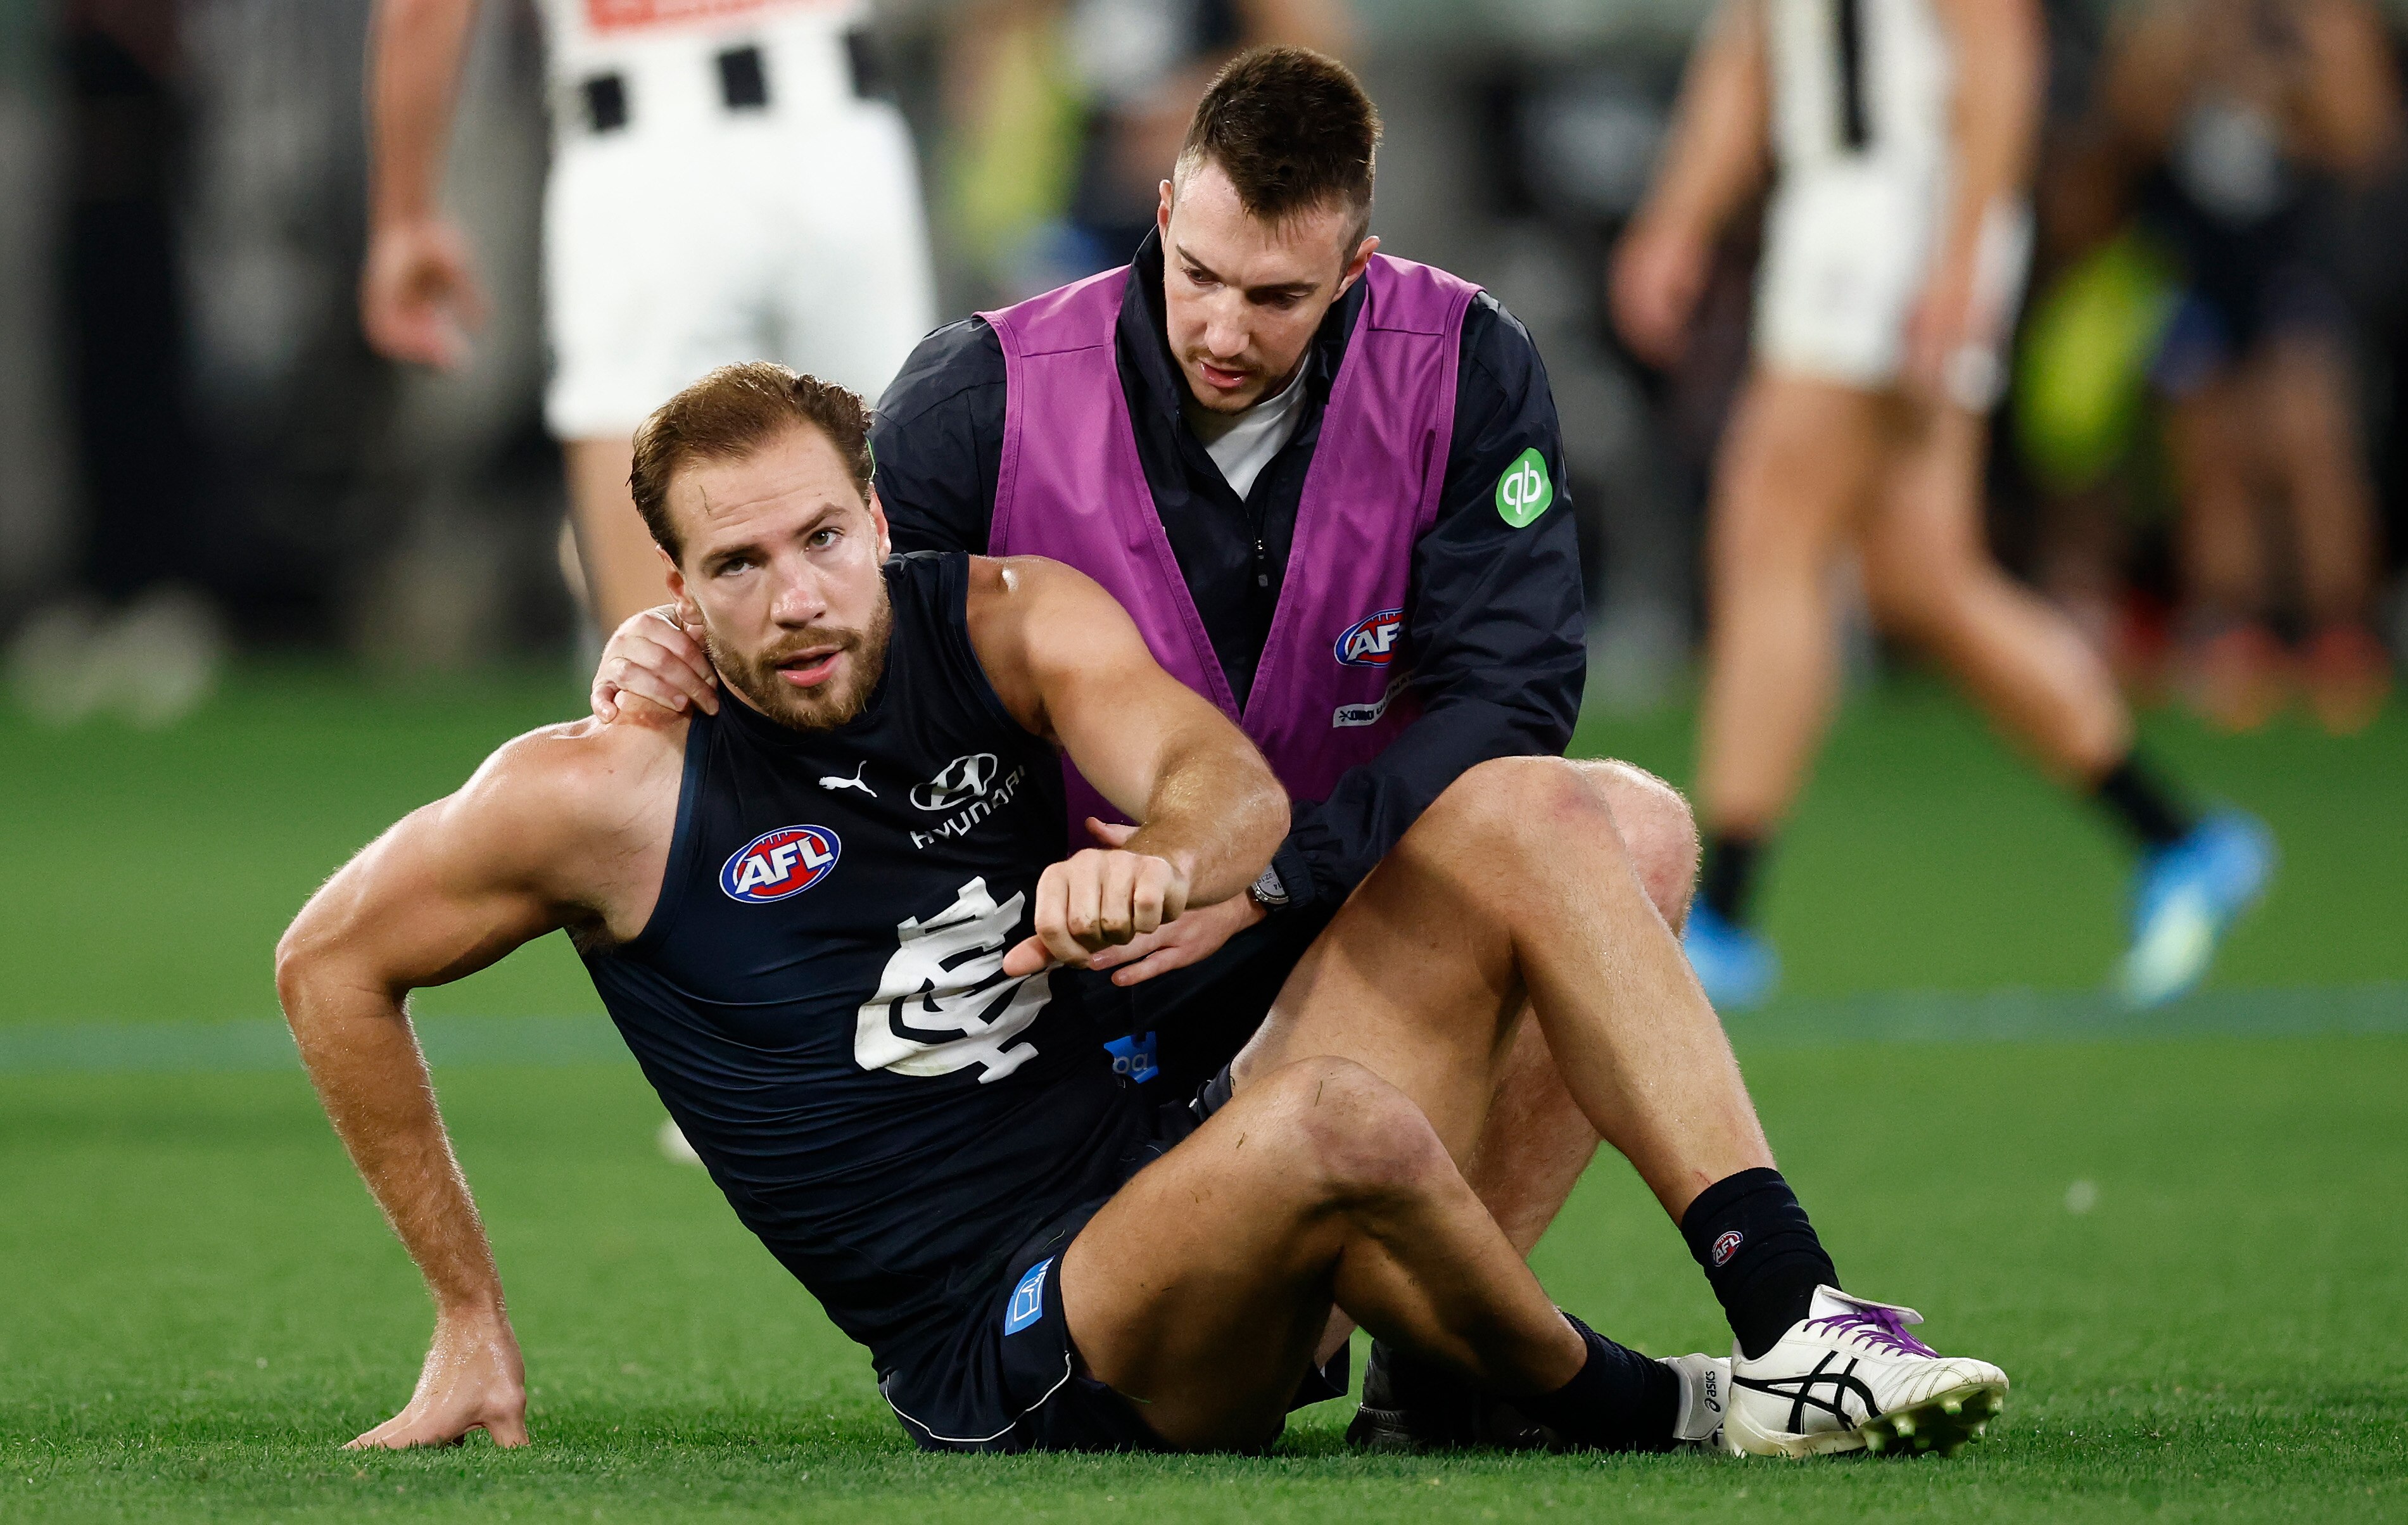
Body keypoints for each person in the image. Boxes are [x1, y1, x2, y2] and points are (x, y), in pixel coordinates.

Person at [276, 362, 2008, 1458]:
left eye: (820, 538)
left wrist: (1160, 860)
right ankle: (1681, 1413)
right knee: (1335, 1122)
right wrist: (466, 1312)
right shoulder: (596, 795)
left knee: (1600, 820)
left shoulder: (1001, 618)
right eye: (736, 568)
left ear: (880, 515)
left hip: (1177, 1141)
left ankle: (1733, 1323)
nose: (796, 598)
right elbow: (328, 964)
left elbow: (1230, 790)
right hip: (1028, 1331)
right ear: (674, 591)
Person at [588, 47, 1706, 1446]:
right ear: (1162, 212)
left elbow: (1515, 691)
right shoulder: (982, 393)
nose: (1227, 326)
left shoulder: (1459, 358)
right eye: (1203, 277)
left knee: (1629, 829)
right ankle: (1649, 1396)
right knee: (1327, 1113)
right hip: (1087, 978)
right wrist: (679, 644)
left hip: (1302, 907)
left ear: (1351, 272)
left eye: (1276, 295)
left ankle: (1460, 1369)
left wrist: (1281, 874)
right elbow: (850, 646)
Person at [1611, 0, 2272, 1009]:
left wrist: (1959, 256)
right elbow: (1752, 54)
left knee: (1768, 540)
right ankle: (2177, 837)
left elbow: (1997, 49)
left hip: (1890, 219)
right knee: (1921, 577)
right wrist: (1678, 220)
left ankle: (1725, 915)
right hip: (1854, 217)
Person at [358, 0, 935, 630]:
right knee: (900, 582)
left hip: (647, 155)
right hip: (843, 138)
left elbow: (422, 11)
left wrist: (404, 217)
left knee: (659, 663)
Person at [2096, 0, 2398, 734]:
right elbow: (2126, 130)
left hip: (2291, 267)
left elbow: (2364, 137)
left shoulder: (2326, 19)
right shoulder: (2172, 22)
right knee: (2207, 457)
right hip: (2193, 269)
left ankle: (2335, 629)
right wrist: (2198, 54)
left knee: (2308, 444)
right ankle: (2231, 625)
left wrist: (2291, 77)